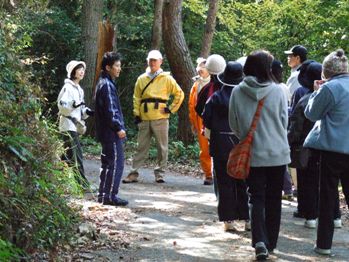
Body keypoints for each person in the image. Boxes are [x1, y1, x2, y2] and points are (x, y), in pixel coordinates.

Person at [229, 50, 290, 260]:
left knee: (256, 197)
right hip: (277, 152)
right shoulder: (279, 90)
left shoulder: (237, 91)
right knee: (274, 197)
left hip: (252, 152)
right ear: (267, 68)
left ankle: (260, 241)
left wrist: (246, 137)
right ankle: (271, 242)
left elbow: (233, 123)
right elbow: (284, 121)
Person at [304, 49, 349, 255]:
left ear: (326, 71)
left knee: (328, 196)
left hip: (332, 150)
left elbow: (311, 113)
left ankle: (324, 245)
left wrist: (315, 92)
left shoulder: (330, 88)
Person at [288, 61, 342, 229]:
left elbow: (295, 127)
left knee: (308, 182)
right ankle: (336, 217)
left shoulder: (306, 100)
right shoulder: (336, 97)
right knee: (330, 184)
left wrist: (290, 142)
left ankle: (310, 216)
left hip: (308, 148)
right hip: (331, 146)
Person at [122, 50, 184, 183]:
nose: (152, 62)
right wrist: (137, 114)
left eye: (155, 60)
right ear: (147, 61)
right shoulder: (141, 78)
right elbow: (137, 98)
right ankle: (133, 173)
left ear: (161, 61)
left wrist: (171, 109)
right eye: (150, 60)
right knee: (141, 147)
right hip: (144, 117)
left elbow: (179, 94)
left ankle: (160, 173)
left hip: (161, 117)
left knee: (162, 147)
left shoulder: (167, 78)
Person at [202, 61, 250, 232]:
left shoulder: (215, 98)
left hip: (220, 144)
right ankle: (247, 218)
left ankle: (228, 220)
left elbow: (206, 120)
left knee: (224, 183)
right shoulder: (247, 99)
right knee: (244, 182)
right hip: (242, 145)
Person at [94, 52, 128, 206]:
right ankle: (110, 196)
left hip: (105, 131)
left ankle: (103, 194)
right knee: (114, 163)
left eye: (120, 66)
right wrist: (118, 127)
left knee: (107, 163)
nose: (119, 69)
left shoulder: (103, 82)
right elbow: (110, 109)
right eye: (117, 66)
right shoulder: (106, 85)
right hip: (110, 132)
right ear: (108, 67)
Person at [57, 60, 93, 188]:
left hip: (74, 125)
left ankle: (56, 182)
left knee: (66, 157)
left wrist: (87, 112)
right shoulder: (67, 87)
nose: (82, 72)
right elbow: (62, 106)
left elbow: (80, 110)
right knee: (76, 156)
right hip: (68, 125)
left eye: (83, 69)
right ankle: (82, 184)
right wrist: (73, 105)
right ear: (73, 72)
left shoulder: (79, 89)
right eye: (79, 69)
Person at [284, 45, 308, 208]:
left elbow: (291, 100)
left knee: (297, 155)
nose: (288, 58)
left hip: (298, 120)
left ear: (298, 58)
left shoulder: (296, 77)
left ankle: (299, 190)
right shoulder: (300, 74)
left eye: (290, 56)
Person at [188, 58, 213, 185]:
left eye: (203, 66)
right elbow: (191, 105)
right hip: (200, 119)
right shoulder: (196, 84)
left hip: (214, 119)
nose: (200, 69)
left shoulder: (216, 82)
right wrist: (193, 122)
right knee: (204, 149)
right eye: (198, 67)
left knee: (217, 147)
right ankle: (208, 174)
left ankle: (219, 173)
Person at [271, 60, 293, 201]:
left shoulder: (270, 88)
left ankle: (278, 189)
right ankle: (287, 188)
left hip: (271, 128)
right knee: (282, 162)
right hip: (283, 127)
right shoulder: (284, 87)